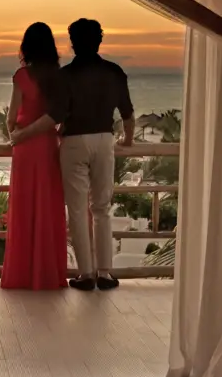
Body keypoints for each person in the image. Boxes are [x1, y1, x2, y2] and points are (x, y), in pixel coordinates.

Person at [11, 18, 135, 291]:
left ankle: (86, 274)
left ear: (73, 43)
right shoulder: (115, 72)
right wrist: (127, 140)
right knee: (102, 208)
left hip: (74, 141)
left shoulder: (65, 76)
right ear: (99, 41)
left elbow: (54, 116)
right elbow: (127, 112)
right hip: (104, 139)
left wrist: (22, 134)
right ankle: (105, 273)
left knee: (78, 210)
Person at [0, 22, 69, 290]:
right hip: (47, 146)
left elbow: (10, 118)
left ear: (26, 47)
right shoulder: (58, 76)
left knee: (24, 207)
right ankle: (46, 275)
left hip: (25, 149)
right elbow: (58, 115)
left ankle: (21, 274)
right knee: (47, 206)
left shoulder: (21, 76)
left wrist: (16, 133)